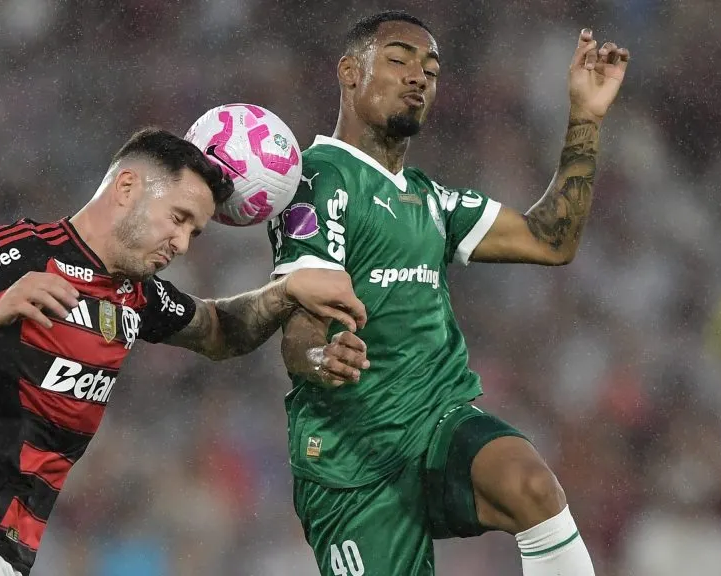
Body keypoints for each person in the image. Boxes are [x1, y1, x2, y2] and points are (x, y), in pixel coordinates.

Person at [0, 127, 368, 576]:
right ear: (127, 187)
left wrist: (286, 292)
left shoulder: (135, 294)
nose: (183, 243)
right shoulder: (26, 250)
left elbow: (219, 331)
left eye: (194, 230)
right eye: (178, 217)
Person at [267, 11, 629, 575]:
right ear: (349, 72)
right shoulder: (317, 181)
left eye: (430, 69)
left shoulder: (430, 198)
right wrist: (321, 355)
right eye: (398, 60)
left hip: (436, 423)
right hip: (351, 458)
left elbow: (552, 240)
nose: (417, 77)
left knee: (530, 484)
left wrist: (584, 116)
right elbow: (299, 331)